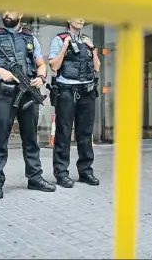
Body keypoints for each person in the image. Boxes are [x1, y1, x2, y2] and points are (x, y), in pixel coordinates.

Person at [0, 10, 56, 199]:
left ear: (19, 13)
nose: (6, 13)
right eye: (4, 10)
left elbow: (41, 64)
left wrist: (41, 77)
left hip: (28, 94)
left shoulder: (30, 38)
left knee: (31, 139)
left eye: (10, 10)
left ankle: (35, 178)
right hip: (4, 93)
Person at [48, 18, 101, 188]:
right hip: (66, 91)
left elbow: (97, 67)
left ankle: (86, 172)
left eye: (82, 16)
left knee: (85, 133)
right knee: (63, 133)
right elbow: (54, 66)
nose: (80, 19)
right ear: (69, 19)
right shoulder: (59, 39)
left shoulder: (87, 41)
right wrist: (65, 46)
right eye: (76, 15)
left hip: (87, 91)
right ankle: (61, 173)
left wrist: (92, 49)